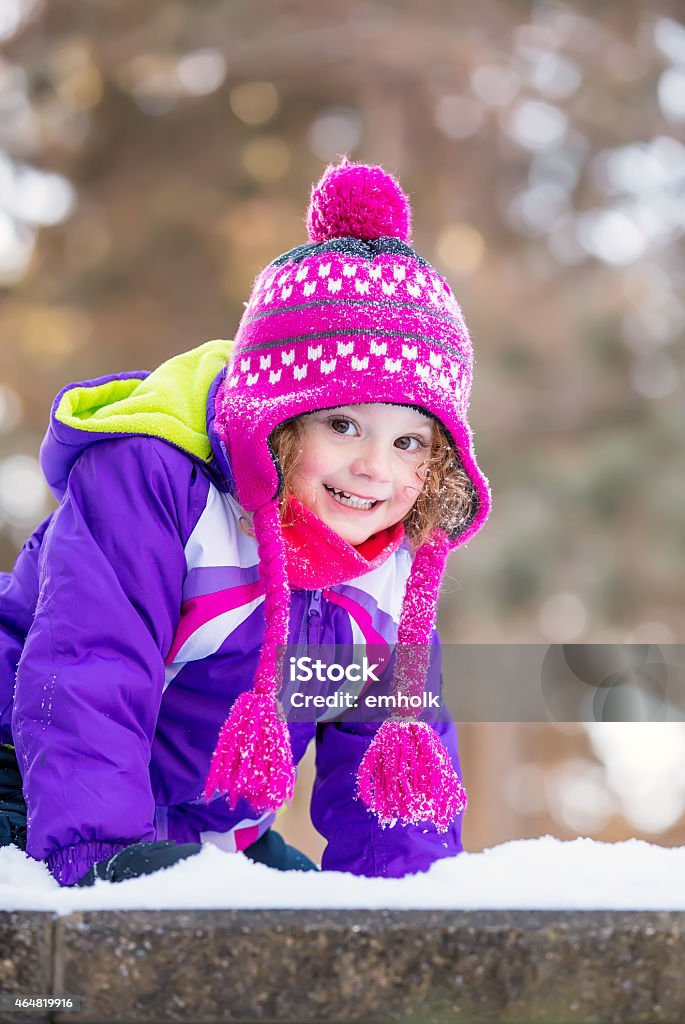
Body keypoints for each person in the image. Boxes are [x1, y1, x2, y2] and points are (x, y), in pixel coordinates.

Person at [0, 158, 491, 887]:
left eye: (408, 441)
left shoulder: (390, 570)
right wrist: (101, 851)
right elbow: (89, 668)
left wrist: (409, 923)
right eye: (343, 424)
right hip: (30, 778)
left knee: (308, 939)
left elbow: (384, 770)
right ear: (278, 419)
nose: (375, 469)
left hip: (196, 825)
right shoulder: (156, 485)